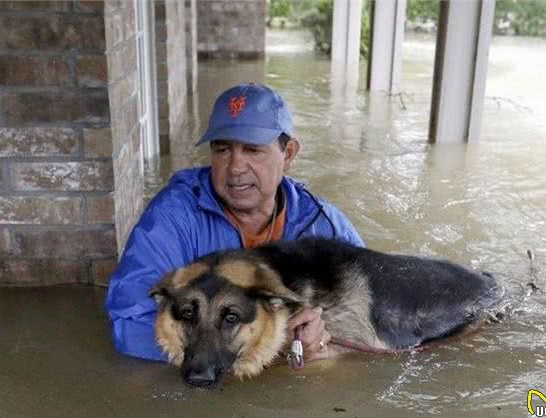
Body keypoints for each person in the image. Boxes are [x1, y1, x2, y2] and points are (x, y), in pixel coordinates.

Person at [105, 83, 364, 363]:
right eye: (223, 149)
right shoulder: (174, 217)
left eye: (252, 150)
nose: (236, 167)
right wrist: (251, 351)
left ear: (288, 153)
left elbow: (371, 316)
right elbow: (129, 322)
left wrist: (326, 342)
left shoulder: (322, 225)